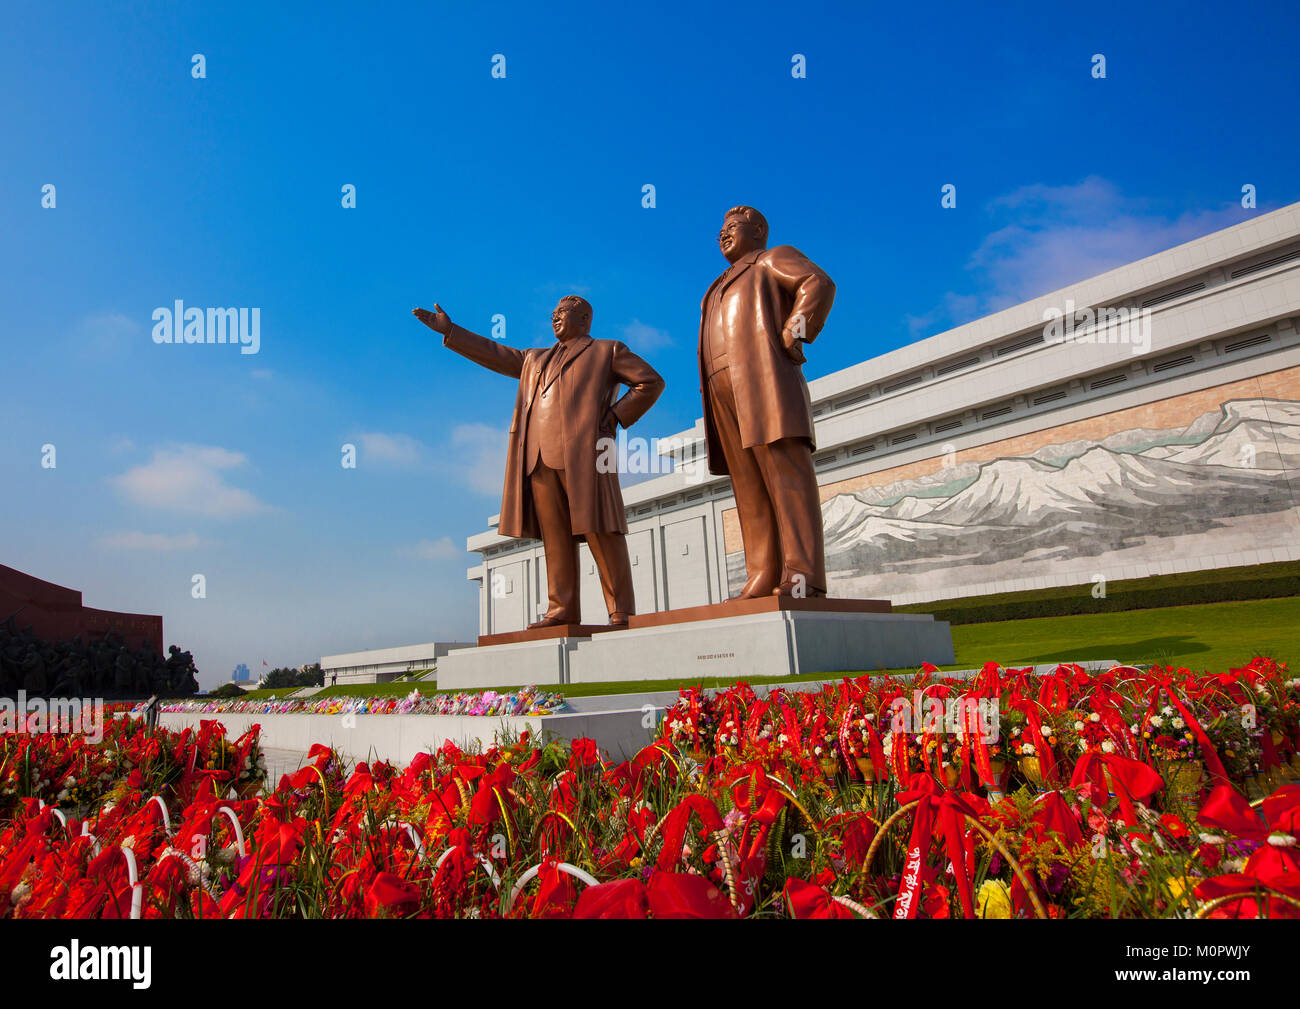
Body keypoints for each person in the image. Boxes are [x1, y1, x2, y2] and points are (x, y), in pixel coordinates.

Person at [414, 296, 664, 627]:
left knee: (600, 529)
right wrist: (452, 332)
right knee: (555, 539)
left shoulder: (607, 351)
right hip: (538, 458)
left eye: (563, 313)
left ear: (584, 318)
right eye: (554, 313)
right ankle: (561, 609)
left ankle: (620, 609)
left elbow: (650, 381)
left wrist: (614, 417)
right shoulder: (534, 359)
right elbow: (496, 354)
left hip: (585, 456)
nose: (555, 318)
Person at [697, 206, 836, 598]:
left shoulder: (770, 258)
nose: (722, 234)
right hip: (722, 389)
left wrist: (797, 329)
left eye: (732, 228)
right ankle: (762, 572)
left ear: (757, 231)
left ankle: (803, 574)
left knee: (786, 475)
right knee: (748, 484)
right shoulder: (715, 285)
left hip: (764, 379)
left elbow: (818, 282)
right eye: (720, 229)